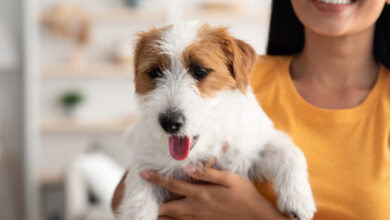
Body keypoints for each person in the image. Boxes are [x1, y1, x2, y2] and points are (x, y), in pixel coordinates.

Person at [112, 0, 390, 219]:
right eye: (155, 74)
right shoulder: (245, 79)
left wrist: (254, 214)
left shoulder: (233, 77)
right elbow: (125, 195)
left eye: (199, 71)